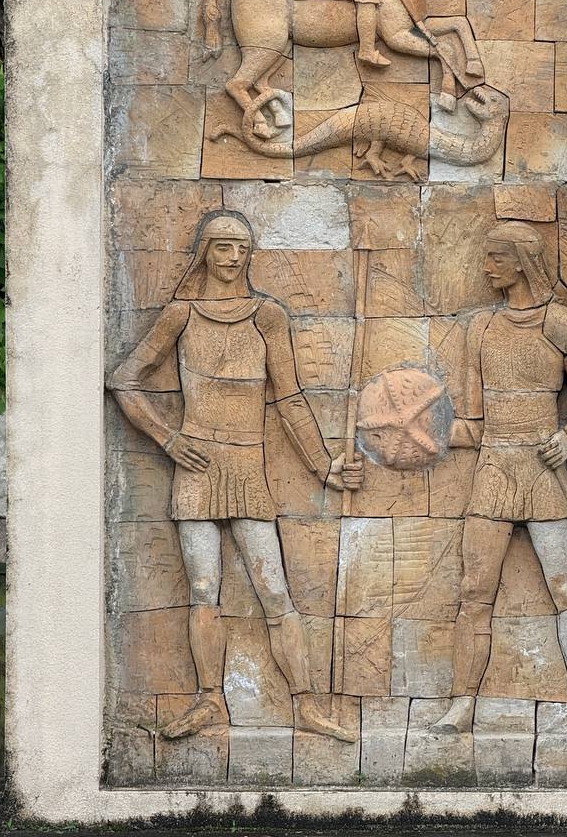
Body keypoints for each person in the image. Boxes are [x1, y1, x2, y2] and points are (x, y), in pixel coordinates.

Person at [109, 210, 363, 741]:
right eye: (223, 246)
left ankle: (305, 703)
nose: (233, 257)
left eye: (242, 248)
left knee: (274, 591)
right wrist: (168, 439)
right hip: (197, 468)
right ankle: (209, 700)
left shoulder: (267, 315)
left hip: (248, 467)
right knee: (204, 590)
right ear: (205, 251)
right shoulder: (181, 313)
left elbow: (290, 399)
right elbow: (124, 381)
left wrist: (324, 466)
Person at [433, 221, 567, 734]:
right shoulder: (481, 328)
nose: (487, 266)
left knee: (566, 588)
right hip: (493, 470)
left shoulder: (559, 322)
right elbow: (473, 422)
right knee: (474, 591)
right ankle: (462, 704)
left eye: (496, 257)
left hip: (542, 470)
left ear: (522, 262)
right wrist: (418, 433)